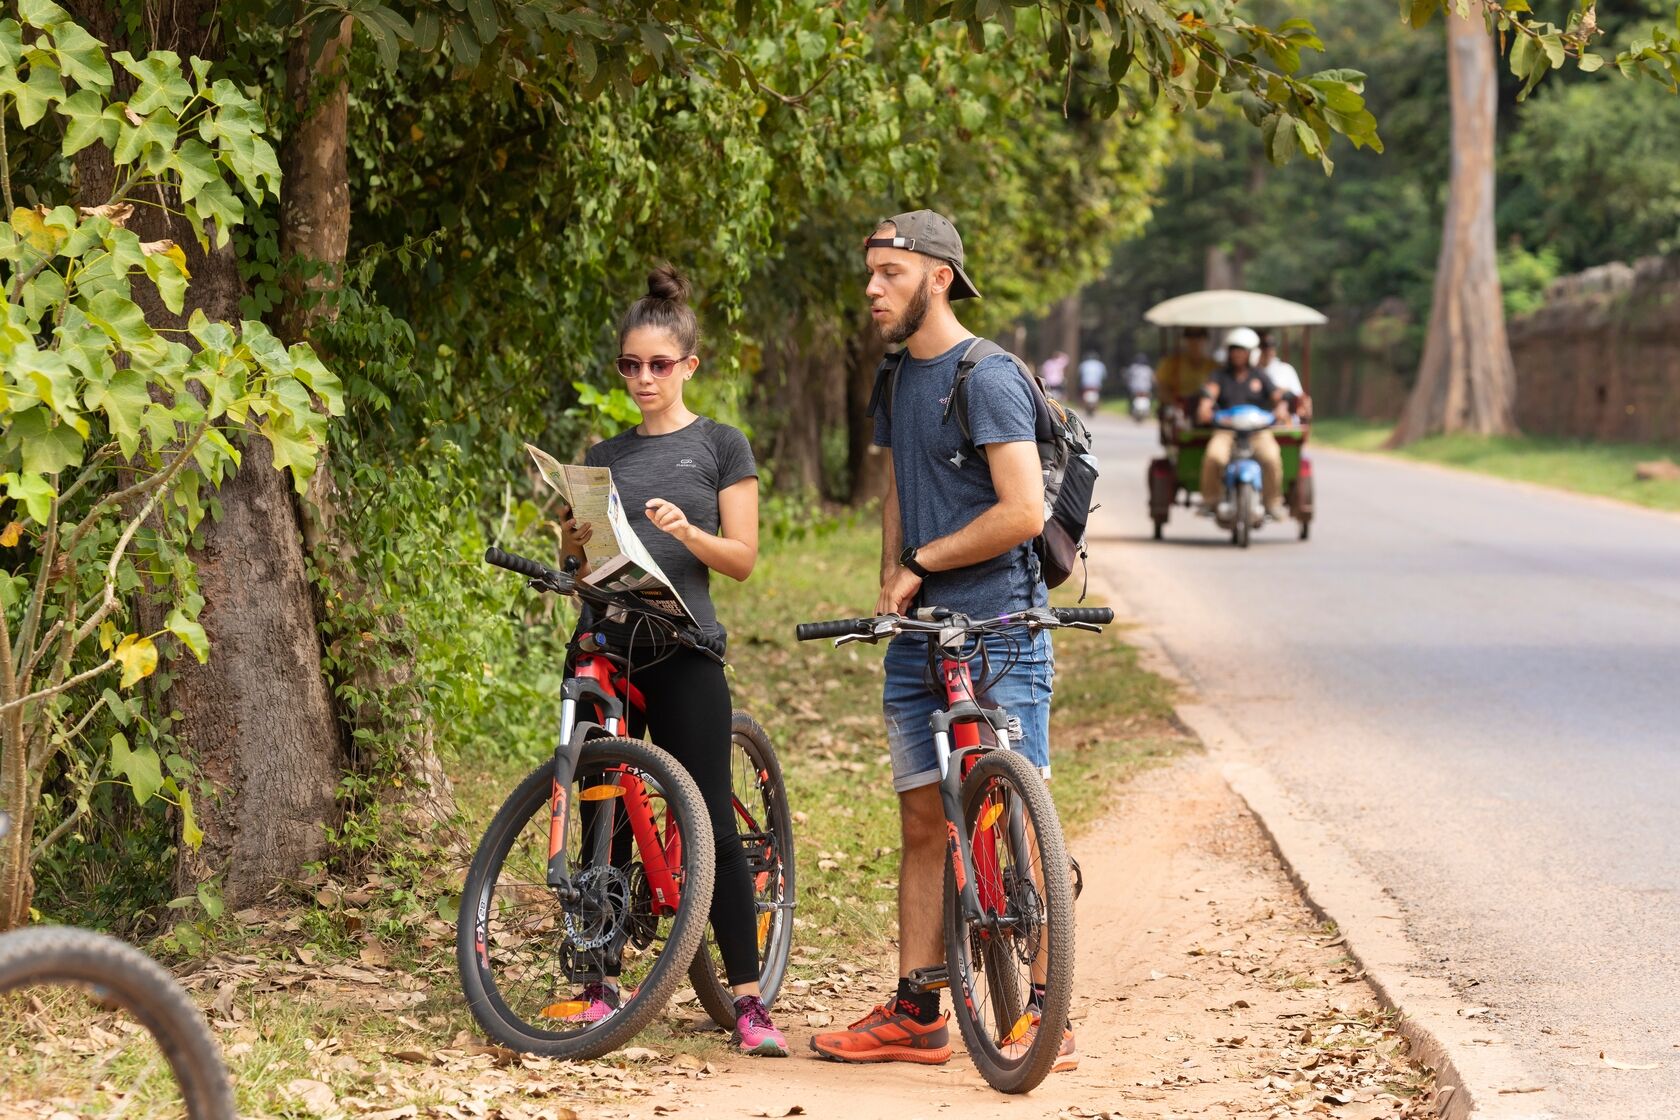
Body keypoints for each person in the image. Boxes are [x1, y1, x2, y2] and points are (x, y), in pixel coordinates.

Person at [809, 210, 1076, 1072]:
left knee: (1019, 814)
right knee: (924, 819)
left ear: (940, 276)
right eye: (869, 276)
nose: (873, 290)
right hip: (918, 634)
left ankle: (1047, 1011)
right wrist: (891, 577)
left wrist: (923, 559)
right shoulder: (895, 379)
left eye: (890, 273)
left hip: (1000, 626)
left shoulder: (988, 376)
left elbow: (1023, 511)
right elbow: (898, 486)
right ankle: (918, 1010)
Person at [558, 265, 788, 1057]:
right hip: (606, 639)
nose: (643, 378)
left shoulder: (721, 445)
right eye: (630, 364)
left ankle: (749, 999)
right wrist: (569, 534)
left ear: (689, 364)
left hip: (682, 645)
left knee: (710, 816)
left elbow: (744, 558)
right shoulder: (602, 452)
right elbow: (584, 561)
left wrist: (687, 533)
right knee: (600, 810)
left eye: (659, 364)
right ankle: (598, 982)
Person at [1196, 327, 1287, 519]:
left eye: (1242, 350)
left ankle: (1272, 503)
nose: (1237, 354)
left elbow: (1277, 396)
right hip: (1227, 430)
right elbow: (1209, 394)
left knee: (1271, 457)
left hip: (1257, 430)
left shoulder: (1260, 376)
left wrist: (1282, 407)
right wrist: (1205, 407)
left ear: (1251, 353)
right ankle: (1210, 500)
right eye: (1234, 349)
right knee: (1214, 457)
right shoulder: (1219, 376)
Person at [1154, 327, 1216, 408]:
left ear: (1206, 339)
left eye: (1199, 336)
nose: (1195, 341)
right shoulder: (1171, 363)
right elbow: (1162, 389)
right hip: (1179, 410)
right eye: (1190, 336)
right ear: (1184, 340)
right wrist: (1175, 404)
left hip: (1205, 410)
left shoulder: (1214, 366)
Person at [1256, 334, 1310, 420]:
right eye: (1264, 348)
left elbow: (1298, 395)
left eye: (1271, 347)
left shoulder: (1285, 369)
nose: (1268, 351)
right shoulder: (1252, 372)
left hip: (1285, 416)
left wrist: (1281, 393)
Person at [1077, 349, 1107, 414]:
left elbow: (1079, 374)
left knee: (1082, 394)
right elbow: (1104, 375)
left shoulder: (1083, 364)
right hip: (1096, 385)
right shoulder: (1100, 365)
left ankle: (1082, 405)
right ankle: (1097, 406)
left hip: (1085, 384)